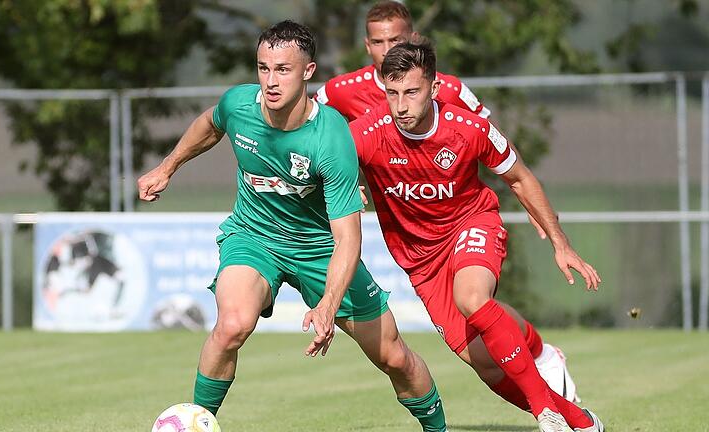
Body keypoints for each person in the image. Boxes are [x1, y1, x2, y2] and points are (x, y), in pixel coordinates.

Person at [138, 20, 449, 432]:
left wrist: (327, 305)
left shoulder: (330, 138)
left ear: (307, 71)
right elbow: (210, 125)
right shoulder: (239, 105)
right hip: (254, 237)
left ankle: (437, 429)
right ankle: (196, 422)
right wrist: (167, 167)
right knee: (232, 325)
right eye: (263, 68)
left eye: (283, 69)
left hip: (320, 247)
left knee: (393, 356)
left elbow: (347, 238)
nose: (270, 80)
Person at [316, 0, 583, 405]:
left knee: (474, 299)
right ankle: (539, 354)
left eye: (397, 40)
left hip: (464, 221)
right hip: (414, 242)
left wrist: (543, 216)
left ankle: (551, 394)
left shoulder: (452, 91)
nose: (388, 49)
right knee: (480, 355)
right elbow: (310, 129)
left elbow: (500, 153)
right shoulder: (341, 92)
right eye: (378, 41)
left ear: (414, 40)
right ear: (366, 45)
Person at [348, 40, 604, 432]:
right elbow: (323, 164)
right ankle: (581, 422)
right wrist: (343, 182)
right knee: (486, 363)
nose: (400, 105)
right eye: (393, 92)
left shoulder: (468, 129)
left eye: (412, 92)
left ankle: (545, 412)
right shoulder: (368, 131)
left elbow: (519, 178)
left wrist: (560, 242)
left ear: (434, 88)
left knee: (472, 297)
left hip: (471, 223)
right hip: (420, 260)